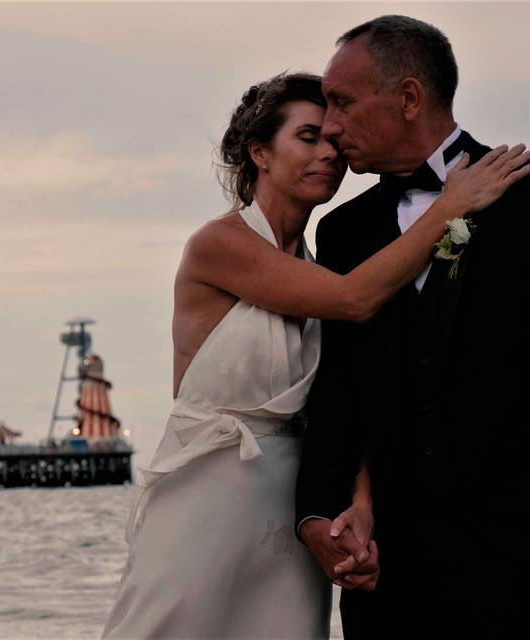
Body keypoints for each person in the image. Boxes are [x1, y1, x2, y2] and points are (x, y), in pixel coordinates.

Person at [100, 70, 528, 638]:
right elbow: (353, 300)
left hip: (295, 507)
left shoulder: (329, 250)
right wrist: (452, 205)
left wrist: (353, 502)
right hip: (209, 492)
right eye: (307, 137)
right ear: (259, 152)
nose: (328, 152)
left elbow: (353, 392)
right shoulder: (219, 245)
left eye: (333, 139)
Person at [295, 15, 530, 638]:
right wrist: (316, 514)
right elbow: (339, 386)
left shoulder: (526, 198)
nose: (332, 125)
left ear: (407, 98)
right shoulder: (341, 230)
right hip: (386, 573)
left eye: (342, 103)